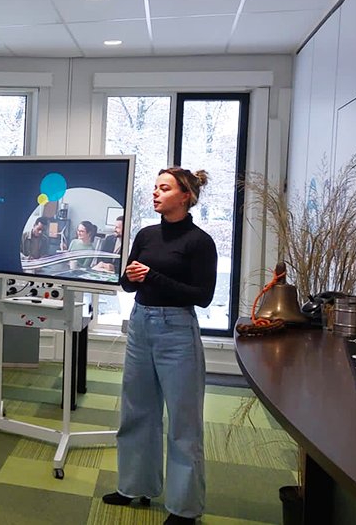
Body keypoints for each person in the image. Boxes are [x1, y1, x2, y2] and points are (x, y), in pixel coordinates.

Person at [102, 167, 217, 525]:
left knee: (183, 423)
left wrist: (152, 276)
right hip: (140, 324)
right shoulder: (146, 234)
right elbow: (127, 284)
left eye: (164, 188)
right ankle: (135, 485)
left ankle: (184, 509)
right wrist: (132, 278)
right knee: (137, 411)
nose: (155, 193)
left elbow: (203, 297)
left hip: (177, 330)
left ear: (186, 196)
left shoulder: (200, 242)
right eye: (155, 187)